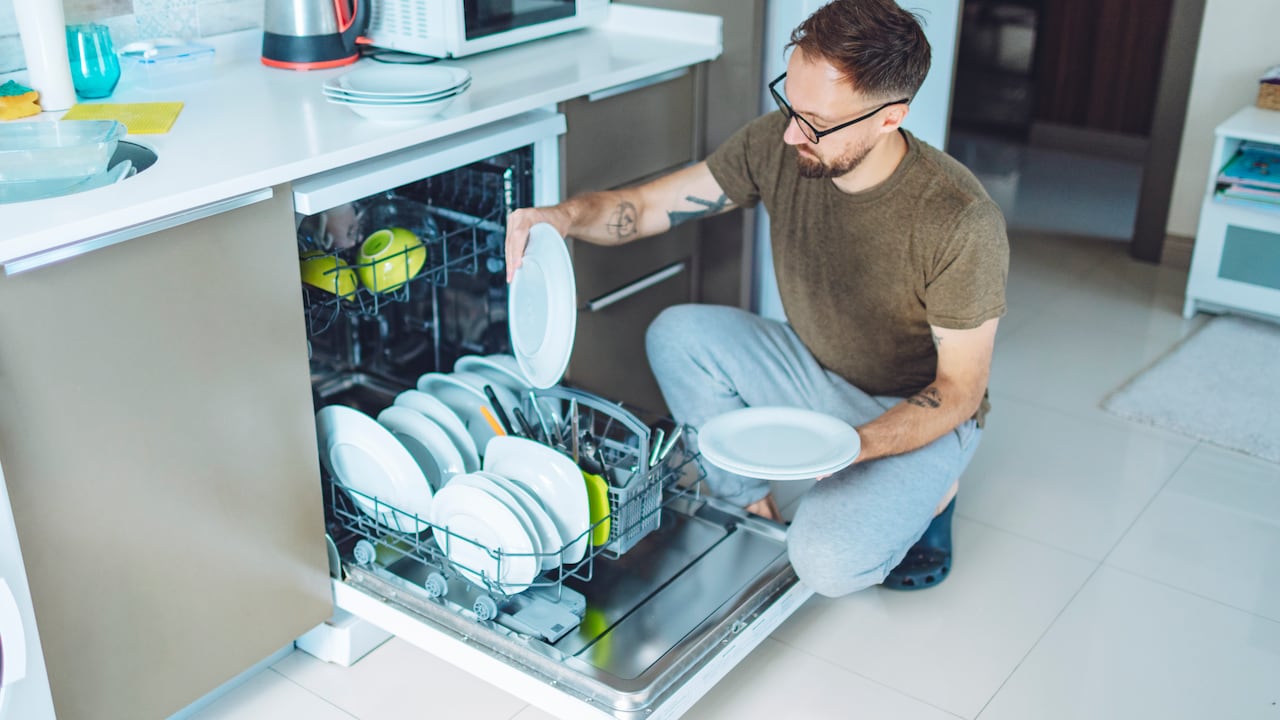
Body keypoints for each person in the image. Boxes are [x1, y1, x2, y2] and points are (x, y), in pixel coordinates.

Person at [504, 0, 1008, 597]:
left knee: (826, 563)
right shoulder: (781, 142)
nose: (793, 131)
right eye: (789, 102)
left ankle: (936, 492)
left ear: (888, 118)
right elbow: (647, 208)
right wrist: (563, 215)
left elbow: (958, 392)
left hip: (915, 410)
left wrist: (854, 448)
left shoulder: (958, 219)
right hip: (814, 369)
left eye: (816, 121)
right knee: (678, 334)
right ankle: (751, 504)